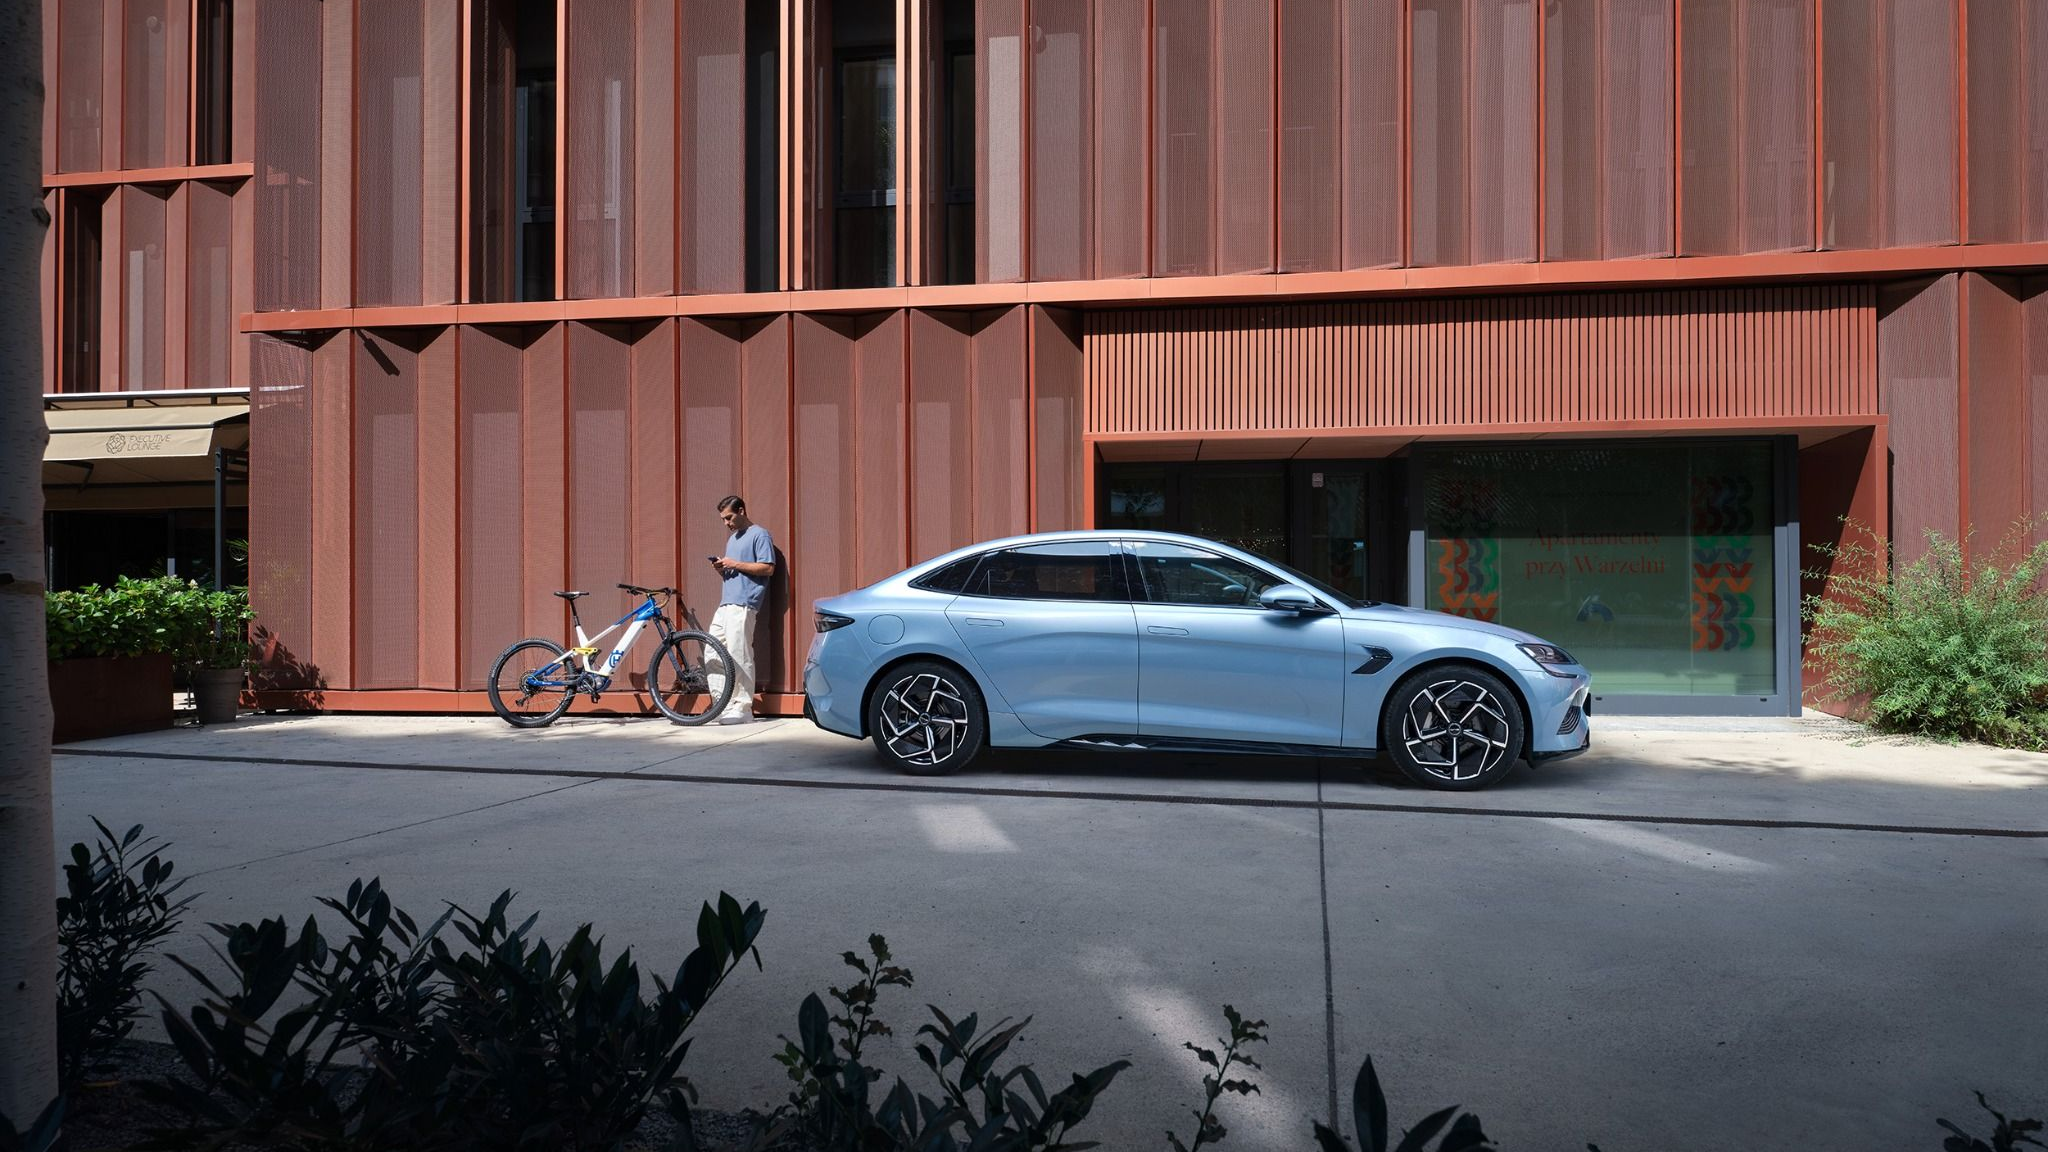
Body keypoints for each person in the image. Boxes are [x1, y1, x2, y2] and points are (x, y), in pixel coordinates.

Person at [706, 495, 774, 723]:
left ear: (742, 510)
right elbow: (735, 572)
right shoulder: (733, 539)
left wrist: (734, 563)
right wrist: (721, 568)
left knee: (740, 653)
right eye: (723, 519)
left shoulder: (759, 534)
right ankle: (721, 704)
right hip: (726, 603)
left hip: (744, 602)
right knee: (712, 651)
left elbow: (767, 568)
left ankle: (743, 708)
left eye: (729, 517)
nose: (726, 523)